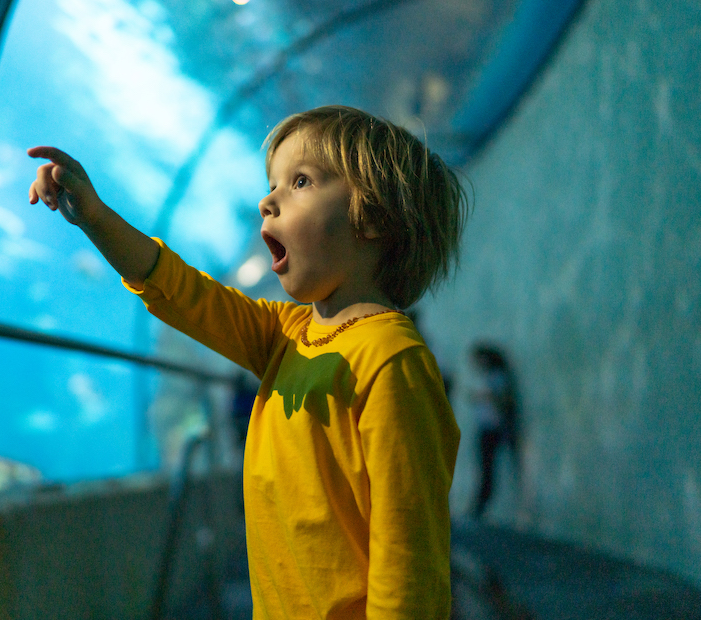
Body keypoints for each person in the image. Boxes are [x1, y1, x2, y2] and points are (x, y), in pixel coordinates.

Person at [27, 106, 467, 619]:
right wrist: (97, 220)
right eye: (272, 183)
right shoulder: (287, 335)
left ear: (370, 216)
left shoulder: (391, 359)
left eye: (299, 181)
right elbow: (179, 290)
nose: (267, 200)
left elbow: (409, 556)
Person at [468, 344, 519, 520]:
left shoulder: (496, 377)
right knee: (486, 470)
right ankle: (480, 507)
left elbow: (503, 402)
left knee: (487, 471)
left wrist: (485, 396)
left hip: (493, 431)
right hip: (487, 429)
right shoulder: (490, 376)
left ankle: (480, 508)